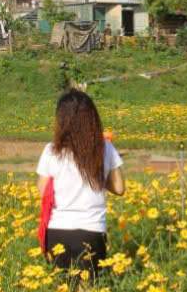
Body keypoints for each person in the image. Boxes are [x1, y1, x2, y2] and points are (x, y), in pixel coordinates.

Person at [36, 90, 125, 280]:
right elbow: (119, 188)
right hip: (91, 231)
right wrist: (99, 171)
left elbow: (43, 190)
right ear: (92, 118)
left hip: (57, 232)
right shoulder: (105, 148)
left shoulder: (51, 151)